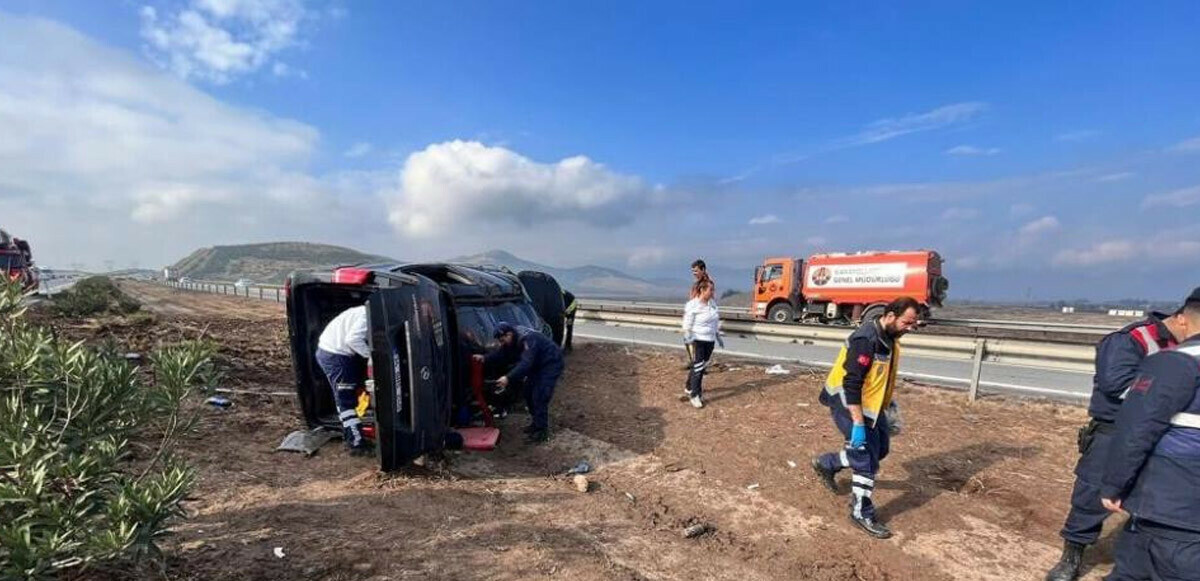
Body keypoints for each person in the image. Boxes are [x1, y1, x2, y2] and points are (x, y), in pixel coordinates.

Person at [1045, 306, 1188, 581]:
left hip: (1162, 433)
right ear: (1181, 319)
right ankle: (1072, 555)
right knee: (1091, 494)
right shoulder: (1130, 340)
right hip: (1115, 431)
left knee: (1152, 497)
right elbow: (1116, 384)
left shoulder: (1184, 346)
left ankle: (1137, 561)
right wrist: (1169, 396)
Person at [1099, 287, 1200, 581]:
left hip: (1173, 506)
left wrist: (1113, 484)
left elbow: (1137, 430)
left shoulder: (1177, 363)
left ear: (1185, 318)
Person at [810, 297, 921, 539]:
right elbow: (852, 384)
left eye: (914, 324)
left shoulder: (890, 338)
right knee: (866, 459)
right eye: (907, 322)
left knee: (880, 449)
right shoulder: (866, 340)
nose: (910, 328)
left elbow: (880, 376)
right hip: (848, 403)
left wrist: (888, 404)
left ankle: (826, 463)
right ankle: (861, 512)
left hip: (872, 406)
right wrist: (858, 423)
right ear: (890, 316)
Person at [473, 322, 564, 443]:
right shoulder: (512, 339)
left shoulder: (528, 340)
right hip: (537, 365)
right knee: (528, 392)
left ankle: (542, 432)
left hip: (550, 364)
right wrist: (485, 358)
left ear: (509, 334)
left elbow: (526, 363)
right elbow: (501, 353)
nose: (501, 343)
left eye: (502, 339)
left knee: (539, 395)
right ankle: (536, 423)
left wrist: (508, 378)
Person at [314, 304, 373, 455]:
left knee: (348, 396)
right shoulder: (366, 316)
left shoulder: (362, 311)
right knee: (346, 401)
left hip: (335, 353)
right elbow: (353, 340)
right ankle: (356, 443)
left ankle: (354, 437)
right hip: (336, 356)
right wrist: (371, 356)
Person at [682, 279, 720, 409]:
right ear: (702, 290)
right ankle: (695, 395)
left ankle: (688, 386)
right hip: (697, 340)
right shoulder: (693, 305)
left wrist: (717, 333)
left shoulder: (712, 304)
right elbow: (687, 324)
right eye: (711, 290)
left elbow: (715, 320)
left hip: (710, 340)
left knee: (701, 365)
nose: (713, 292)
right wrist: (688, 336)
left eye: (713, 289)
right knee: (698, 368)